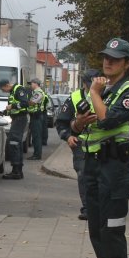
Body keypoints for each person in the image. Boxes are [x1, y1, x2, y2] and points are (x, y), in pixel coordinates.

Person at [74, 37, 129, 258]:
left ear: (126, 64)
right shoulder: (104, 90)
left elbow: (109, 119)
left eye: (114, 59)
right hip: (93, 166)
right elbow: (78, 127)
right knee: (96, 229)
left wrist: (93, 93)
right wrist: (78, 123)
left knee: (112, 229)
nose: (107, 62)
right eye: (105, 57)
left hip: (115, 170)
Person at [56, 68, 100, 220]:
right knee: (83, 174)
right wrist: (68, 137)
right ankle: (88, 208)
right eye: (89, 84)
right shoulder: (75, 97)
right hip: (80, 143)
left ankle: (100, 207)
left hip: (103, 143)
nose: (92, 88)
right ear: (84, 83)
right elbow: (61, 123)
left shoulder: (108, 95)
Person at [0, 78, 29, 179]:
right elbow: (14, 108)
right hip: (17, 119)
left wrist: (12, 106)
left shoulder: (18, 90)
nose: (2, 91)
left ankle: (16, 171)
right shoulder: (13, 92)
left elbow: (25, 103)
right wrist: (4, 112)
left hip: (20, 119)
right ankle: (17, 170)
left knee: (13, 142)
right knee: (15, 142)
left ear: (7, 85)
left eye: (2, 89)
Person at [26, 78, 45, 160]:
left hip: (37, 116)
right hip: (35, 116)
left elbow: (32, 102)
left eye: (31, 83)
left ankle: (37, 155)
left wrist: (25, 102)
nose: (30, 85)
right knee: (35, 136)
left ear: (36, 84)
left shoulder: (38, 92)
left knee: (36, 136)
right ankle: (36, 153)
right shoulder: (35, 92)